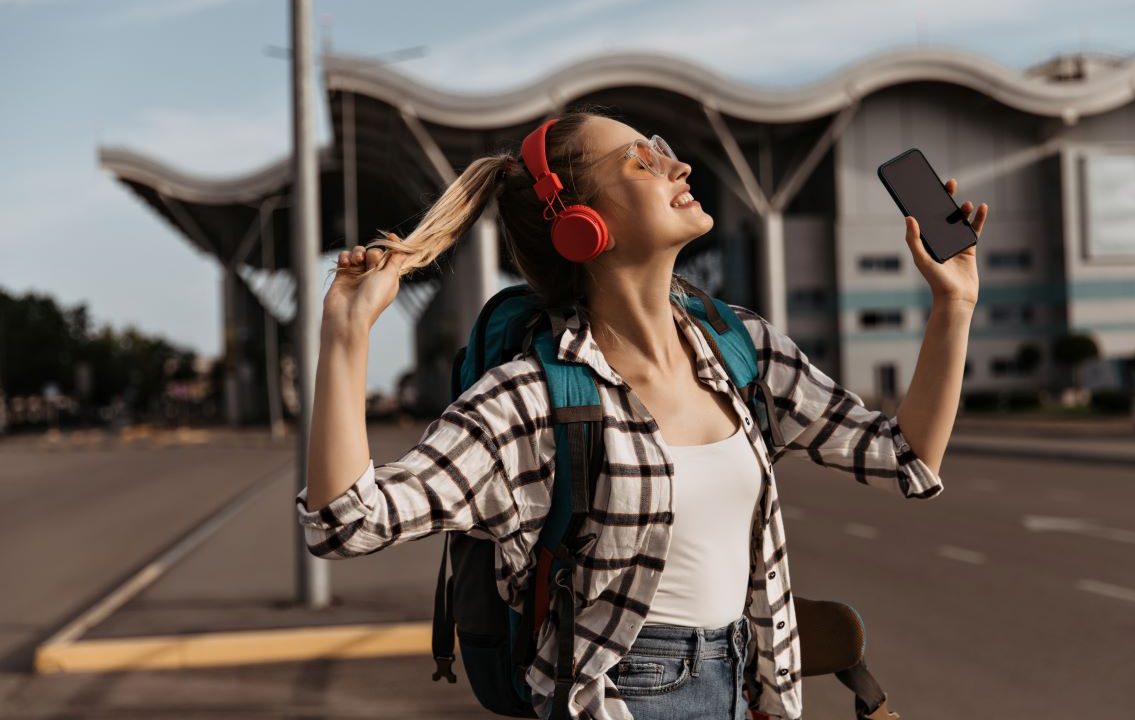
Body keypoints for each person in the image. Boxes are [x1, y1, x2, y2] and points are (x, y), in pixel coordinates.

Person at [295, 106, 983, 720]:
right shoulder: (533, 398)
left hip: (748, 683)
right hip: (625, 697)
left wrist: (954, 306)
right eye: (642, 161)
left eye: (662, 149)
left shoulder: (740, 348)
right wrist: (346, 337)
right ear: (582, 224)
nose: (678, 163)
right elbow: (346, 521)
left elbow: (906, 456)